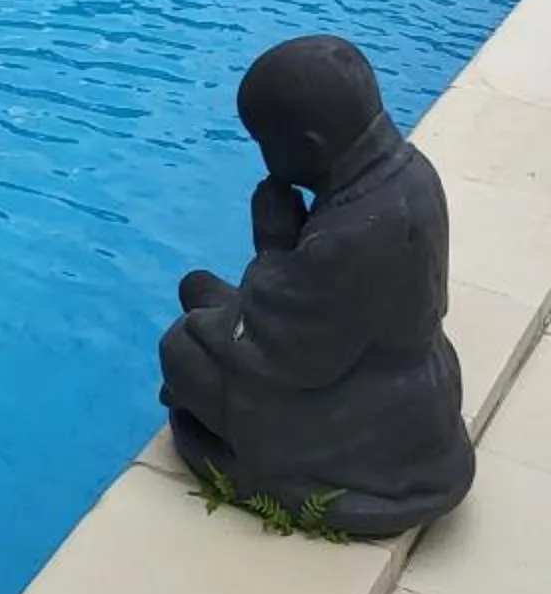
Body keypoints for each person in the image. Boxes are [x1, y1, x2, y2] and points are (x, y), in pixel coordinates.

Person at [159, 35, 475, 539]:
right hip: (419, 383)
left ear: (309, 147)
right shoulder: (414, 174)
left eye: (264, 143)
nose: (263, 157)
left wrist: (272, 248)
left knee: (181, 347)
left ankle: (279, 466)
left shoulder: (353, 233)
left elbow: (295, 360)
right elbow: (314, 309)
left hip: (369, 422)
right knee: (200, 289)